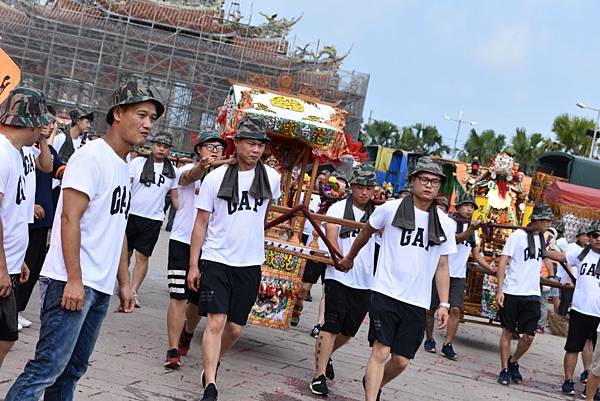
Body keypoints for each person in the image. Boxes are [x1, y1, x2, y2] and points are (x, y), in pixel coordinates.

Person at [5, 79, 164, 400]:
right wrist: (74, 280)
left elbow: (117, 227)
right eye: (142, 115)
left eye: (152, 119)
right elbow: (69, 219)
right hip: (71, 281)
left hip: (100, 285)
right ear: (118, 113)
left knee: (72, 371)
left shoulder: (123, 165)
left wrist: (124, 282)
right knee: (47, 367)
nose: (148, 125)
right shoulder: (92, 157)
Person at [338, 156, 457, 401]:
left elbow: (443, 265)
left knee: (401, 361)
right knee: (380, 351)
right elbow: (366, 233)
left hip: (417, 300)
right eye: (423, 179)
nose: (428, 185)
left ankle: (373, 380)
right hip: (385, 291)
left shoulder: (445, 223)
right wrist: (350, 257)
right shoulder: (390, 209)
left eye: (434, 182)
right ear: (413, 181)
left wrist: (444, 303)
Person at [188, 116, 281, 401]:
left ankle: (213, 361)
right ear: (237, 143)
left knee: (235, 328)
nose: (256, 150)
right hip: (216, 257)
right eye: (251, 143)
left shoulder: (271, 178)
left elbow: (265, 213)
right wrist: (194, 264)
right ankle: (210, 384)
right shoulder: (215, 177)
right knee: (215, 321)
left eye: (260, 145)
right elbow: (201, 222)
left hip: (250, 261)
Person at [309, 165, 377, 396]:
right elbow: (331, 237)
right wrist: (341, 261)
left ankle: (326, 355)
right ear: (352, 187)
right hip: (338, 275)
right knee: (331, 325)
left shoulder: (378, 214)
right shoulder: (338, 208)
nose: (365, 193)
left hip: (365, 279)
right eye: (360, 187)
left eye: (369, 188)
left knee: (348, 331)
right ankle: (318, 376)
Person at [164, 130, 229, 369]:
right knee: (178, 296)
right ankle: (172, 349)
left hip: (210, 247)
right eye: (209, 146)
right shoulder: (185, 172)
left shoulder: (226, 177)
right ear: (199, 150)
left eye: (219, 147)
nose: (214, 150)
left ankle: (188, 332)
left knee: (197, 302)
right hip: (182, 241)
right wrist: (204, 166)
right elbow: (192, 175)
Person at [0, 88, 53, 367]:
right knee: (6, 334)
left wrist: (16, 260)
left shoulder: (22, 153)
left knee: (7, 335)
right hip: (1, 262)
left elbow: (47, 166)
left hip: (11, 258)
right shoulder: (2, 152)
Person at [424, 193, 492, 359]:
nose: (469, 209)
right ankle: (429, 338)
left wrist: (491, 269)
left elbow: (476, 254)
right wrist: (471, 229)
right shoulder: (449, 223)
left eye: (472, 207)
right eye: (466, 206)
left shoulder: (473, 231)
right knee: (432, 308)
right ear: (458, 207)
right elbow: (457, 240)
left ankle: (448, 343)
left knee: (456, 309)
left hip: (459, 275)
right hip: (440, 271)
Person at [495, 203, 555, 386]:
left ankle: (514, 362)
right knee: (507, 331)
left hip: (532, 294)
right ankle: (504, 369)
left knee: (529, 336)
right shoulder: (518, 236)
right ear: (537, 220)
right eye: (546, 220)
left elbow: (545, 258)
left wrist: (552, 276)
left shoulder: (541, 239)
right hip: (513, 291)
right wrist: (500, 289)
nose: (548, 224)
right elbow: (503, 260)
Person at [18, 107, 66, 329]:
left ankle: (17, 308)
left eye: (51, 123)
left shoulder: (45, 148)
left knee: (34, 266)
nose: (48, 126)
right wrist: (30, 204)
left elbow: (50, 168)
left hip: (43, 220)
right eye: (44, 122)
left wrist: (45, 142)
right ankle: (12, 308)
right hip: (26, 217)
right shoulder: (21, 148)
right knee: (21, 265)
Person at [126, 132, 179, 307]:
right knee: (125, 254)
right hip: (131, 214)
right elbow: (126, 186)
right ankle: (124, 284)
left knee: (143, 256)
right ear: (153, 145)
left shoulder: (172, 172)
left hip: (153, 219)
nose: (161, 149)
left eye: (165, 147)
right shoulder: (137, 163)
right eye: (159, 145)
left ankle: (133, 290)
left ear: (169, 150)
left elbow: (175, 198)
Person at [548, 222, 600, 396]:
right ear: (589, 238)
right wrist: (542, 248)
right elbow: (562, 257)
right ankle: (568, 380)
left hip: (598, 313)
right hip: (580, 309)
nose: (598, 239)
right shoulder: (581, 253)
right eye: (595, 235)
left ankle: (591, 384)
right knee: (572, 347)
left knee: (594, 349)